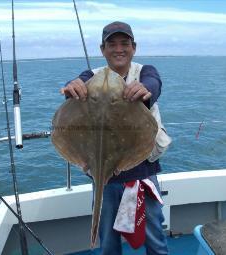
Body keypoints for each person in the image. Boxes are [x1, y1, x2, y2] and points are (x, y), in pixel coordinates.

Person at [61, 21, 168, 255]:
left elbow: (154, 84)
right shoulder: (91, 76)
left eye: (124, 43)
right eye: (112, 44)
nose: (119, 49)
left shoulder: (145, 71)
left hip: (143, 172)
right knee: (107, 239)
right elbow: (74, 85)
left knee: (154, 235)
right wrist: (72, 87)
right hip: (104, 175)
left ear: (134, 47)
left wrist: (144, 90)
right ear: (103, 49)